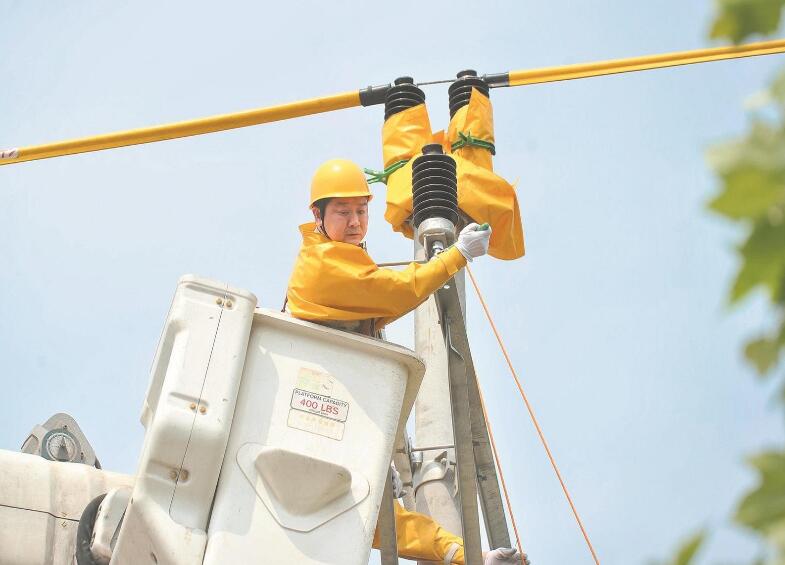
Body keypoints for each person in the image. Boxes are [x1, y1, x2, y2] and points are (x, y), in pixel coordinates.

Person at [286, 159, 528, 565]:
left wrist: (468, 557)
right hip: (316, 413)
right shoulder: (321, 267)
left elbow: (389, 528)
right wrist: (457, 255)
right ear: (318, 215)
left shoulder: (344, 262)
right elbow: (398, 291)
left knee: (369, 512)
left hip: (330, 419)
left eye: (361, 210)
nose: (355, 222)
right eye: (343, 212)